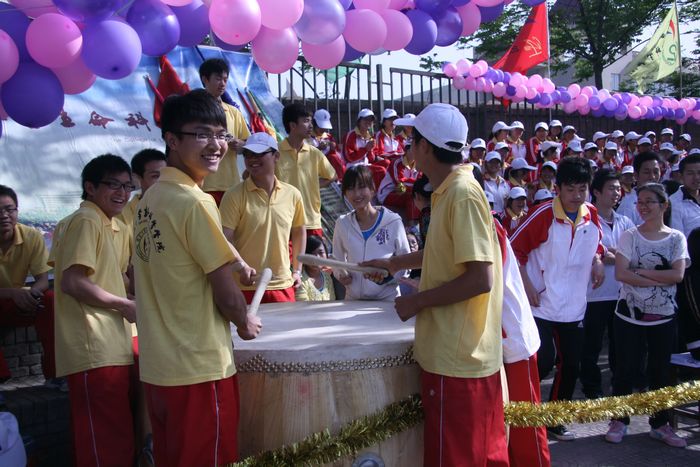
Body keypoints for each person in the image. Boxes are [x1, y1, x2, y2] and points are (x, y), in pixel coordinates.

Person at [363, 103, 508, 466]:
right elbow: (446, 251)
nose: (407, 147)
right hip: (460, 358)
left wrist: (418, 301)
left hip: (457, 361)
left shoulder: (461, 194)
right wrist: (396, 263)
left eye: (411, 140)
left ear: (425, 147)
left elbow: (480, 278)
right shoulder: (449, 190)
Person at [132, 90, 262, 466]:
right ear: (172, 140)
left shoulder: (149, 200)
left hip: (159, 369)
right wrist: (244, 320)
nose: (216, 145)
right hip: (198, 369)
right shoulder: (194, 201)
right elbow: (224, 289)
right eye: (202, 134)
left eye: (220, 134)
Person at [49, 154, 137, 465]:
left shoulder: (115, 224)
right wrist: (124, 304)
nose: (122, 193)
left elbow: (120, 278)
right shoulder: (86, 220)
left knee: (115, 432)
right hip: (92, 344)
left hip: (112, 343)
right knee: (105, 438)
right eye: (113, 185)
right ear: (90, 187)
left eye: (128, 186)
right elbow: (72, 282)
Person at [510, 156, 605, 441]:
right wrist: (527, 285)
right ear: (558, 188)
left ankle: (554, 418)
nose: (576, 196)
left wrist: (597, 261)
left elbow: (597, 244)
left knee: (572, 365)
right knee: (543, 361)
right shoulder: (542, 215)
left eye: (582, 189)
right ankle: (520, 413)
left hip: (574, 306)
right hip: (539, 304)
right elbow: (513, 250)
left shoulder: (591, 214)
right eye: (570, 189)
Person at [605, 183, 688, 447]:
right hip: (628, 315)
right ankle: (619, 419)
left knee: (660, 371)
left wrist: (639, 272)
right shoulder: (629, 236)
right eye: (640, 201)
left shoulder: (676, 238)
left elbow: (677, 275)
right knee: (625, 369)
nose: (643, 206)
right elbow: (621, 273)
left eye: (649, 201)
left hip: (663, 316)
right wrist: (658, 278)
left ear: (664, 205)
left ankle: (660, 423)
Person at [220, 132, 306, 304]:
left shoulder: (293, 195)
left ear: (276, 156)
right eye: (248, 154)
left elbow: (299, 232)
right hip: (245, 287)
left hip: (282, 286)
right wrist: (241, 267)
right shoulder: (233, 195)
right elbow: (224, 238)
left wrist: (297, 271)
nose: (252, 159)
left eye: (259, 153)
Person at [579, 170, 635, 399]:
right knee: (591, 346)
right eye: (611, 188)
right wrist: (609, 255)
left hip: (620, 293)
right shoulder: (586, 221)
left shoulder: (625, 221)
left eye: (618, 189)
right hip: (593, 295)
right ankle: (592, 389)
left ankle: (617, 388)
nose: (616, 193)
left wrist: (613, 255)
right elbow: (587, 253)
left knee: (619, 346)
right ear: (597, 192)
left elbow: (632, 254)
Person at [0, 186, 55, 384]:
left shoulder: (31, 236)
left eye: (9, 209)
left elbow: (43, 280)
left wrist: (31, 295)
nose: (4, 216)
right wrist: (13, 293)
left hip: (18, 303)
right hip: (6, 298)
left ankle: (55, 374)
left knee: (50, 301)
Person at [332, 166, 410, 301]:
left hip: (387, 300)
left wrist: (388, 277)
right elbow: (337, 259)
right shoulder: (342, 223)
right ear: (345, 193)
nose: (357, 194)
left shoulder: (393, 221)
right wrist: (341, 274)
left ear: (372, 189)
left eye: (362, 187)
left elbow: (406, 262)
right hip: (353, 300)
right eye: (350, 188)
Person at [276, 103, 337, 238]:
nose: (311, 126)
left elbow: (332, 176)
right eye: (306, 121)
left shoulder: (315, 153)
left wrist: (313, 185)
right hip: (283, 221)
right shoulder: (275, 153)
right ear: (292, 125)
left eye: (311, 121)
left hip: (311, 221)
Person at [198, 58, 251, 205]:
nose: (222, 83)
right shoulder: (194, 111)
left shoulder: (234, 112)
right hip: (202, 184)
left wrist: (242, 145)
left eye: (225, 80)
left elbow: (249, 142)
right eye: (218, 79)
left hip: (230, 184)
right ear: (205, 79)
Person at [117, 148, 167, 230]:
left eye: (166, 174)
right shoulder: (121, 215)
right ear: (137, 178)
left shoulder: (178, 209)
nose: (163, 180)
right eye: (155, 176)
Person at [616, 152, 662, 225]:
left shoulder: (663, 200)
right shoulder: (628, 205)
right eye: (647, 172)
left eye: (655, 172)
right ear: (636, 175)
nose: (652, 177)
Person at [295, 235, 336, 302]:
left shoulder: (327, 277)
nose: (317, 257)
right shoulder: (300, 280)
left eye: (321, 252)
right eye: (311, 254)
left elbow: (332, 302)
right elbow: (303, 306)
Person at [308, 108, 345, 181]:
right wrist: (318, 148)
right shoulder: (307, 137)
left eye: (325, 127)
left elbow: (337, 156)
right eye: (321, 126)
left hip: (329, 170)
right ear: (314, 123)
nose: (323, 129)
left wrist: (334, 148)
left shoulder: (328, 137)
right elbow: (305, 156)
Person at [669, 153, 700, 238]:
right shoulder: (674, 202)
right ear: (681, 176)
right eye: (690, 173)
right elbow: (678, 239)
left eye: (699, 173)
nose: (696, 177)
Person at [483, 151, 510, 216]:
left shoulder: (504, 183)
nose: (494, 164)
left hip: (502, 218)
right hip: (487, 217)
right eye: (491, 162)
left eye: (497, 162)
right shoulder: (482, 181)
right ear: (486, 164)